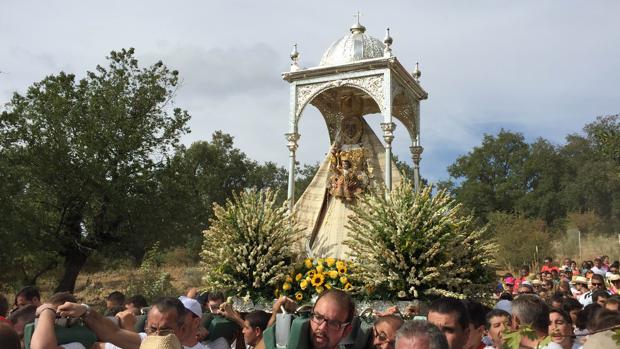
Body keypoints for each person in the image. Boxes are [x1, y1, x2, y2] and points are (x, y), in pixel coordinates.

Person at [57, 297, 187, 349]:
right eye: (152, 329)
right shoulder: (145, 341)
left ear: (182, 330)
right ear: (146, 325)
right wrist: (84, 311)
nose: (157, 337)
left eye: (165, 331)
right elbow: (113, 333)